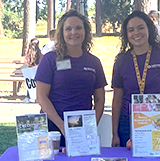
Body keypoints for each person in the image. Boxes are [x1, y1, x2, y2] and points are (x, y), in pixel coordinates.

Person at [35, 10, 107, 146]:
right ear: (62, 33)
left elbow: (100, 99)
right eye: (68, 29)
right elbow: (41, 96)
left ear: (85, 31)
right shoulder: (50, 59)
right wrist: (62, 126)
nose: (74, 32)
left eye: (78, 28)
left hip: (82, 128)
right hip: (53, 128)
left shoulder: (94, 62)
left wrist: (91, 126)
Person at [111, 11, 160, 148]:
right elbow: (117, 100)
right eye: (131, 30)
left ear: (149, 29)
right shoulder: (121, 61)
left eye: (141, 27)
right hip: (128, 124)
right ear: (126, 35)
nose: (136, 33)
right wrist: (114, 133)